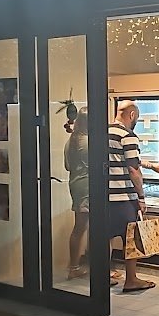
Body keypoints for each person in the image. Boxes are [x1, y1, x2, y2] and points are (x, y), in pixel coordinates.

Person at [109, 100, 159, 292]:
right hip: (123, 196)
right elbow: (133, 168)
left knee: (106, 237)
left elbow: (122, 158)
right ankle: (131, 280)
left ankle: (103, 275)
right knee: (131, 238)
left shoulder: (104, 132)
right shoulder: (128, 135)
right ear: (132, 115)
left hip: (104, 196)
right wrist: (141, 197)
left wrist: (151, 165)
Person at [65, 107, 90, 280]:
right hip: (89, 186)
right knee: (93, 228)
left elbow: (67, 166)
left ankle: (73, 266)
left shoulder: (71, 141)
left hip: (76, 184)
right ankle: (77, 268)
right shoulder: (88, 141)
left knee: (79, 227)